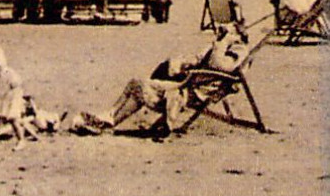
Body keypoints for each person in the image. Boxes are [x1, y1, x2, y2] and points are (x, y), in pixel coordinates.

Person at [68, 26, 249, 137]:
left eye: (230, 30)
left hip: (187, 93)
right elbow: (200, 59)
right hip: (185, 84)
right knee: (136, 84)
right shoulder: (225, 46)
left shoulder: (238, 51)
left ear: (237, 35)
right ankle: (109, 118)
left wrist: (222, 43)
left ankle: (109, 119)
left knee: (138, 85)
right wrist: (183, 62)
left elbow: (218, 65)